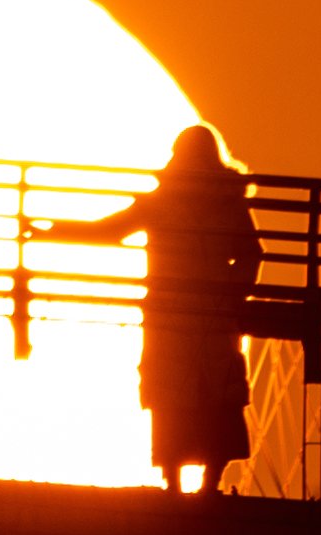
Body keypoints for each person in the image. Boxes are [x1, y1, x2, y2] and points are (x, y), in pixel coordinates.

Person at [37, 124, 261, 494]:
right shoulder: (229, 202)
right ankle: (209, 482)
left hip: (170, 313)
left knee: (170, 394)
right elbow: (253, 254)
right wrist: (233, 296)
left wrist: (55, 230)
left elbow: (108, 231)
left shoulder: (163, 200)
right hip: (213, 313)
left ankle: (173, 481)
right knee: (214, 394)